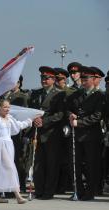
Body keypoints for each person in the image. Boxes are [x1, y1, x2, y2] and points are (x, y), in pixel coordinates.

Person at [0, 100, 37, 204]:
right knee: (10, 168)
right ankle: (18, 196)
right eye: (5, 107)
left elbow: (19, 125)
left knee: (0, 169)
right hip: (0, 145)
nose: (7, 109)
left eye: (8, 107)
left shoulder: (10, 118)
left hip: (9, 145)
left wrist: (30, 120)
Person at [66, 66, 104, 201]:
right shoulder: (77, 94)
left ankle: (90, 192)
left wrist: (80, 122)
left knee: (90, 164)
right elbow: (69, 109)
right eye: (82, 78)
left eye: (86, 78)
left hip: (90, 135)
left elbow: (97, 116)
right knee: (74, 163)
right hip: (76, 135)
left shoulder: (99, 95)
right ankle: (78, 190)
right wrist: (71, 115)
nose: (83, 80)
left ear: (94, 80)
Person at [28, 66, 65, 200]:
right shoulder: (35, 93)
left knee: (51, 164)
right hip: (37, 133)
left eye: (47, 78)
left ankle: (48, 192)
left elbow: (60, 114)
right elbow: (30, 111)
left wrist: (44, 121)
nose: (44, 80)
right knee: (38, 164)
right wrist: (33, 120)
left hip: (51, 134)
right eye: (42, 77)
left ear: (54, 79)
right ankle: (39, 190)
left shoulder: (59, 94)